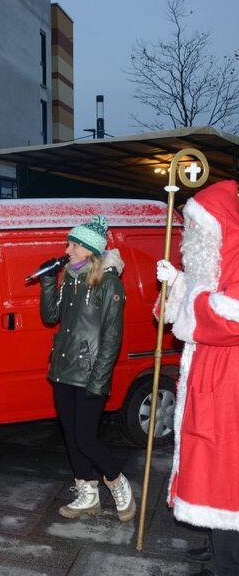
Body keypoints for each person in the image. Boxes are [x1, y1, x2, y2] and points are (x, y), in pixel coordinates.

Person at [156, 180, 239, 576]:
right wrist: (178, 283)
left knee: (225, 470)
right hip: (209, 378)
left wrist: (189, 294)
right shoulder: (217, 262)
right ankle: (215, 544)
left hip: (230, 388)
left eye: (196, 229)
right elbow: (203, 292)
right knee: (207, 462)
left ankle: (229, 561)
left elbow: (228, 315)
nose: (190, 238)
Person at [39, 215, 135, 522]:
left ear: (87, 249)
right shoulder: (69, 276)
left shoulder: (109, 283)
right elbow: (51, 315)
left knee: (86, 438)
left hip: (91, 372)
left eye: (72, 244)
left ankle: (117, 480)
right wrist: (46, 282)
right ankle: (87, 493)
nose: (66, 249)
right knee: (71, 435)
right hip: (64, 369)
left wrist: (100, 379)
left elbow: (111, 337)